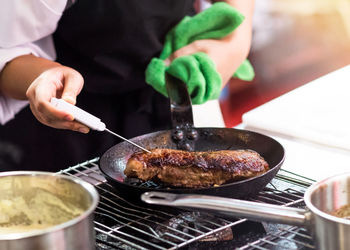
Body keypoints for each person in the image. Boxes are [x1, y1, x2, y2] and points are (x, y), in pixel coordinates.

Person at [0, 0, 254, 171]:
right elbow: (6, 48)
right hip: (66, 122)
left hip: (171, 99)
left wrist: (236, 41)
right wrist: (43, 77)